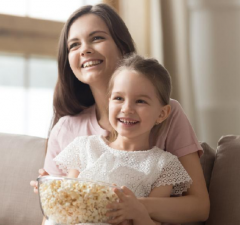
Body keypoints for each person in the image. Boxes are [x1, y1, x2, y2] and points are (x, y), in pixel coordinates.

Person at [30, 3, 210, 224]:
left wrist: (128, 205)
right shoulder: (67, 131)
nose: (84, 49)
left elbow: (199, 207)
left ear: (122, 47)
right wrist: (55, 193)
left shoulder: (168, 117)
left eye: (96, 38)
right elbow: (51, 217)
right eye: (74, 45)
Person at [52, 53, 193, 225]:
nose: (127, 109)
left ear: (162, 113)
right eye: (118, 98)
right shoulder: (84, 147)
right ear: (108, 102)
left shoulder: (163, 165)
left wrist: (139, 212)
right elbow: (68, 204)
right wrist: (52, 190)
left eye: (140, 101)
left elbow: (153, 221)